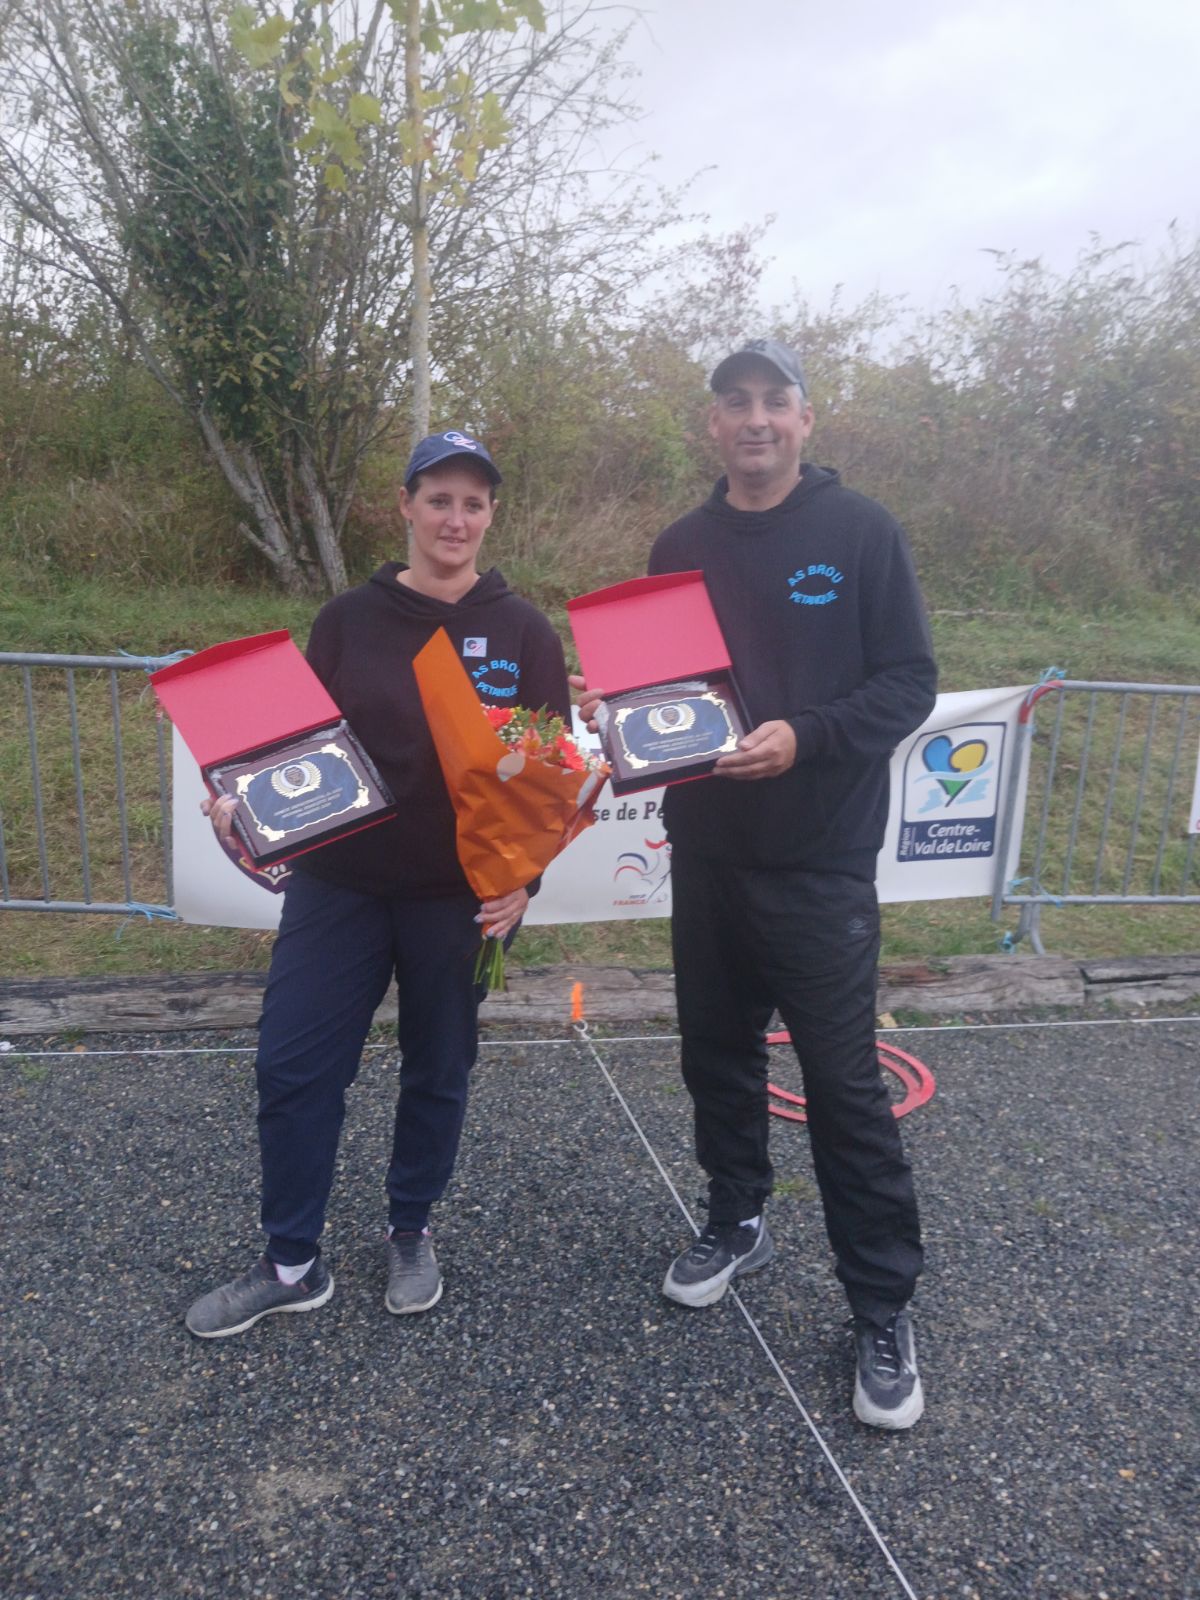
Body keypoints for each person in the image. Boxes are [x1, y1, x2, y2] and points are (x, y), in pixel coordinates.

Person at [573, 339, 937, 1429]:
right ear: (712, 423)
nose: (756, 419)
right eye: (736, 402)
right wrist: (615, 712)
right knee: (715, 1059)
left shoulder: (862, 532)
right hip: (712, 854)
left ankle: (882, 1305)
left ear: (806, 420)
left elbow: (909, 682)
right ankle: (737, 1215)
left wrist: (807, 735)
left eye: (776, 401)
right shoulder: (678, 544)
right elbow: (658, 696)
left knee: (844, 1089)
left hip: (821, 861)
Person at [186, 430, 570, 1338]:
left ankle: (410, 1228)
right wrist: (239, 803)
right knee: (293, 1066)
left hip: (462, 897)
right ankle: (291, 1263)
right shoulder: (347, 621)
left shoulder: (522, 631)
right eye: (438, 498)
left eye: (473, 502)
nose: (455, 518)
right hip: (340, 884)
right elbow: (287, 752)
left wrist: (527, 882)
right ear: (405, 505)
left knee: (439, 1069)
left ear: (491, 516)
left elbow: (551, 775)